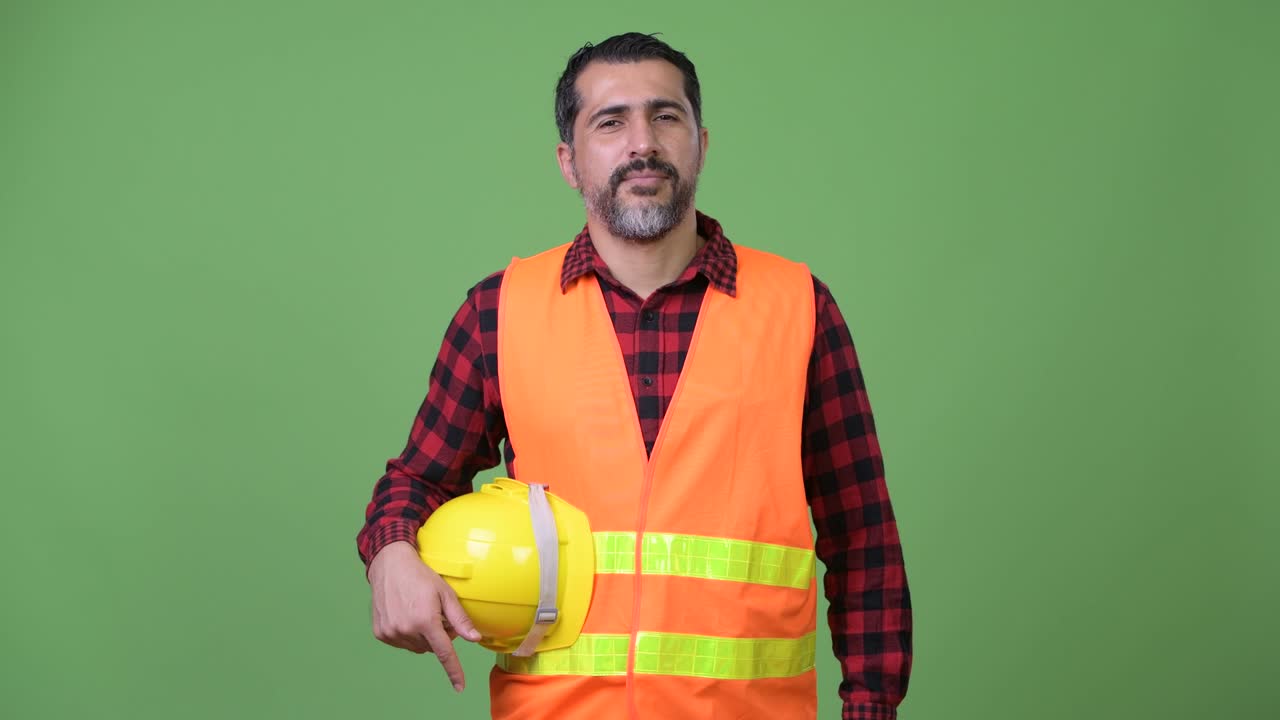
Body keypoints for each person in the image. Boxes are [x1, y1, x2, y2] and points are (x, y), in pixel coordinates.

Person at [356, 32, 912, 720]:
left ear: (701, 143)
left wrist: (871, 709)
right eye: (610, 122)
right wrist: (391, 552)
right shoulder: (499, 312)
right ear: (569, 160)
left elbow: (863, 540)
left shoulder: (799, 308)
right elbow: (415, 482)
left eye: (665, 116)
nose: (642, 143)